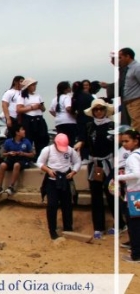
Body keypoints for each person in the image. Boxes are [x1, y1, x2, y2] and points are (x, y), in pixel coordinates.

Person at [74, 99, 115, 239]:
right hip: (95, 164)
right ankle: (98, 227)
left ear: (105, 110)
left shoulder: (112, 125)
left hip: (109, 164)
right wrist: (80, 143)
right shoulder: (89, 126)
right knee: (96, 195)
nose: (98, 112)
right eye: (96, 109)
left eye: (101, 109)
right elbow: (83, 138)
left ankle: (119, 224)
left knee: (112, 193)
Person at [36, 133, 81, 240]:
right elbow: (39, 162)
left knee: (67, 204)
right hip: (52, 180)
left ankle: (68, 228)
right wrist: (48, 170)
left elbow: (77, 162)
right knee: (52, 205)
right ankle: (52, 230)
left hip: (66, 178)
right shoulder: (47, 150)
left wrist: (73, 172)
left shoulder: (70, 150)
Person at [117, 128, 140, 262]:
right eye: (122, 142)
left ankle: (136, 254)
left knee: (134, 224)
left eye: (127, 141)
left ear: (135, 141)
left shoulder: (132, 157)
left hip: (135, 195)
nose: (124, 144)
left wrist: (120, 177)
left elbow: (137, 174)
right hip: (136, 193)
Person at [0, 124, 34, 196]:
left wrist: (23, 154)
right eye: (22, 130)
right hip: (11, 159)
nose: (24, 131)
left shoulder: (26, 141)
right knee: (2, 165)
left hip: (22, 160)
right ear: (17, 132)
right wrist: (9, 153)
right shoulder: (8, 142)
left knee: (16, 165)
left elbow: (32, 154)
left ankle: (11, 186)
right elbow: (3, 154)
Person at [16, 78, 49, 160]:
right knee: (29, 139)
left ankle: (40, 158)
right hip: (28, 120)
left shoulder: (38, 96)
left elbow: (44, 109)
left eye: (35, 85)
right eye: (32, 85)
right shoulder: (22, 96)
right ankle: (28, 158)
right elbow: (19, 109)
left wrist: (40, 106)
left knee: (41, 139)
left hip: (39, 119)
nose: (34, 87)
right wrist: (32, 107)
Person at [50, 81, 77, 145]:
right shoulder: (67, 97)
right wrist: (75, 116)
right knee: (70, 141)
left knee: (62, 141)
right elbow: (68, 108)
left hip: (59, 122)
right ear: (66, 89)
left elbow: (51, 110)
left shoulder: (54, 99)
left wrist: (57, 116)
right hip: (69, 122)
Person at [120, 48, 140, 130]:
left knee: (137, 127)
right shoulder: (129, 68)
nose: (119, 60)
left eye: (120, 57)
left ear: (128, 56)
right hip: (130, 103)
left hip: (136, 102)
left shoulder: (137, 67)